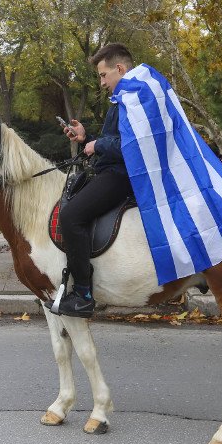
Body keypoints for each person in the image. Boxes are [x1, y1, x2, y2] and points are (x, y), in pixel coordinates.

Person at [50, 43, 136, 317]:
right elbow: (114, 139)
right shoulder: (123, 97)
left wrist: (96, 145)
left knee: (71, 215)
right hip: (111, 170)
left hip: (120, 176)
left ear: (119, 69)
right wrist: (86, 138)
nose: (101, 82)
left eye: (103, 75)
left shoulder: (132, 98)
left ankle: (83, 294)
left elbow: (131, 146)